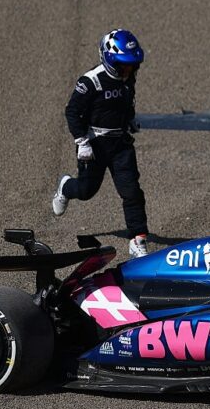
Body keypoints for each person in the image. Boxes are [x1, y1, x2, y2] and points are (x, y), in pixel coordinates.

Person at [52, 29, 150, 258]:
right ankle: (65, 187)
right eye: (124, 64)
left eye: (132, 65)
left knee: (131, 191)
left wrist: (130, 119)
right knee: (87, 191)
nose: (128, 70)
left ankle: (138, 239)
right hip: (94, 145)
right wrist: (81, 141)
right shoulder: (91, 81)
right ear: (109, 59)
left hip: (120, 144)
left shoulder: (129, 76)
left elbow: (126, 99)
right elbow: (72, 112)